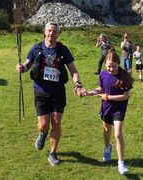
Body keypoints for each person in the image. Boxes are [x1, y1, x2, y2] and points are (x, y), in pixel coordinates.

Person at [16, 21, 85, 166]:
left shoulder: (63, 50)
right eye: (49, 30)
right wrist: (22, 67)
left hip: (58, 92)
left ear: (58, 33)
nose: (51, 33)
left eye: (54, 31)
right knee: (43, 124)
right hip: (41, 91)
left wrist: (77, 84)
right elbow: (28, 64)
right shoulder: (37, 48)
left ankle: (53, 153)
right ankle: (42, 134)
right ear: (44, 32)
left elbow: (73, 70)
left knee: (57, 122)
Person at [87, 50, 133, 175]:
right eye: (108, 66)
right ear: (105, 65)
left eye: (114, 66)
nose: (111, 69)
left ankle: (121, 164)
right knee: (106, 131)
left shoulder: (124, 76)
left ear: (118, 63)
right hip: (106, 107)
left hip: (119, 108)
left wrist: (109, 97)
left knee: (118, 134)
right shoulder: (103, 74)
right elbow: (101, 89)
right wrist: (91, 92)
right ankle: (107, 148)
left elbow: (126, 96)